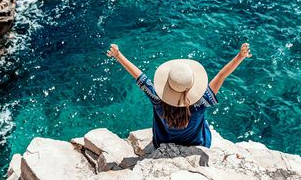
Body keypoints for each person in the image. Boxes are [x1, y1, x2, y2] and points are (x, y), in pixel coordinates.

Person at [106, 43, 252, 148]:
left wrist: (118, 55)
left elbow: (139, 76)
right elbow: (221, 75)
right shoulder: (202, 102)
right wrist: (240, 56)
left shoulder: (157, 98)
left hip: (162, 143)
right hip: (198, 144)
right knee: (203, 122)